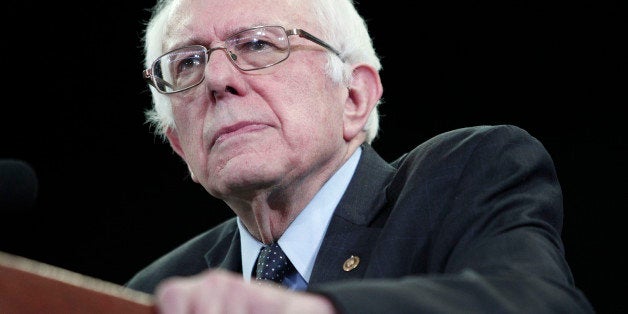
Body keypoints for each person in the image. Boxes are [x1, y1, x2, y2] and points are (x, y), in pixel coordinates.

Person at [126, 0, 595, 312]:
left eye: (257, 44)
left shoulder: (465, 176)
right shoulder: (154, 292)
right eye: (187, 62)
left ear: (354, 97)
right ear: (180, 144)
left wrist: (309, 309)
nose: (216, 79)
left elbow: (541, 302)